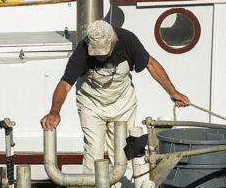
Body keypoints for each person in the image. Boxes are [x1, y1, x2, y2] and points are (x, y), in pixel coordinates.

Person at [40, 19, 189, 177]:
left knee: (123, 152)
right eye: (96, 53)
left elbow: (150, 64)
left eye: (104, 52)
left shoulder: (128, 40)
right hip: (91, 104)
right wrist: (54, 111)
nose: (100, 57)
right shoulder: (81, 51)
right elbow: (65, 84)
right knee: (93, 150)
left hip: (122, 103)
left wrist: (172, 92)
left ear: (114, 41)